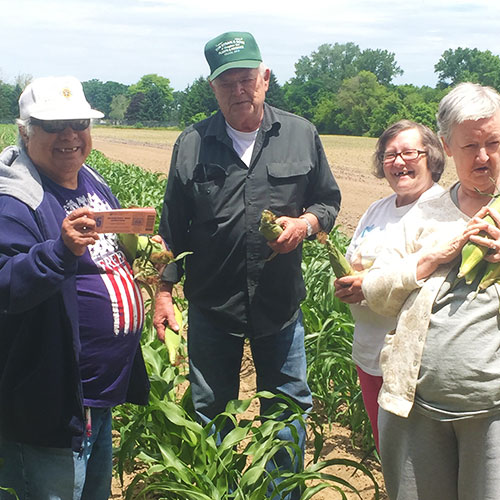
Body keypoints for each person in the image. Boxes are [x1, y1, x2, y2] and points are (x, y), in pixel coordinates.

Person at [153, 31, 341, 498]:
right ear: (213, 87)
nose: (239, 90)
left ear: (265, 79)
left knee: (287, 408)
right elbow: (171, 226)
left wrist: (308, 224)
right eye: (227, 83)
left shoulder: (300, 133)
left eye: (247, 79)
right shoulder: (192, 143)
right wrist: (161, 292)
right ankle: (217, 491)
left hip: (279, 305)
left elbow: (328, 201)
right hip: (213, 303)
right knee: (209, 409)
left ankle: (281, 493)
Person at [0, 76, 150, 500]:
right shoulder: (14, 200)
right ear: (26, 131)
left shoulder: (91, 181)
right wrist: (59, 252)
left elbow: (109, 254)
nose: (69, 135)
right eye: (53, 125)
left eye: (78, 122)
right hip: (49, 399)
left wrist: (148, 253)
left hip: (96, 394)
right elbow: (5, 286)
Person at [361, 82, 500, 500]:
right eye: (469, 145)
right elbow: (377, 291)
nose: (483, 156)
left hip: (493, 414)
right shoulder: (426, 210)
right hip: (415, 405)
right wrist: (430, 258)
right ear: (446, 146)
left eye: (493, 142)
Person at [334, 120, 445, 450]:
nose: (399, 162)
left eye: (409, 152)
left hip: (412, 366)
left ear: (432, 157)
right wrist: (344, 284)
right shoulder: (376, 210)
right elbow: (351, 260)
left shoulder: (441, 211)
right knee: (389, 451)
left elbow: (427, 288)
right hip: (368, 354)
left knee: (419, 460)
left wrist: (366, 286)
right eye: (389, 155)